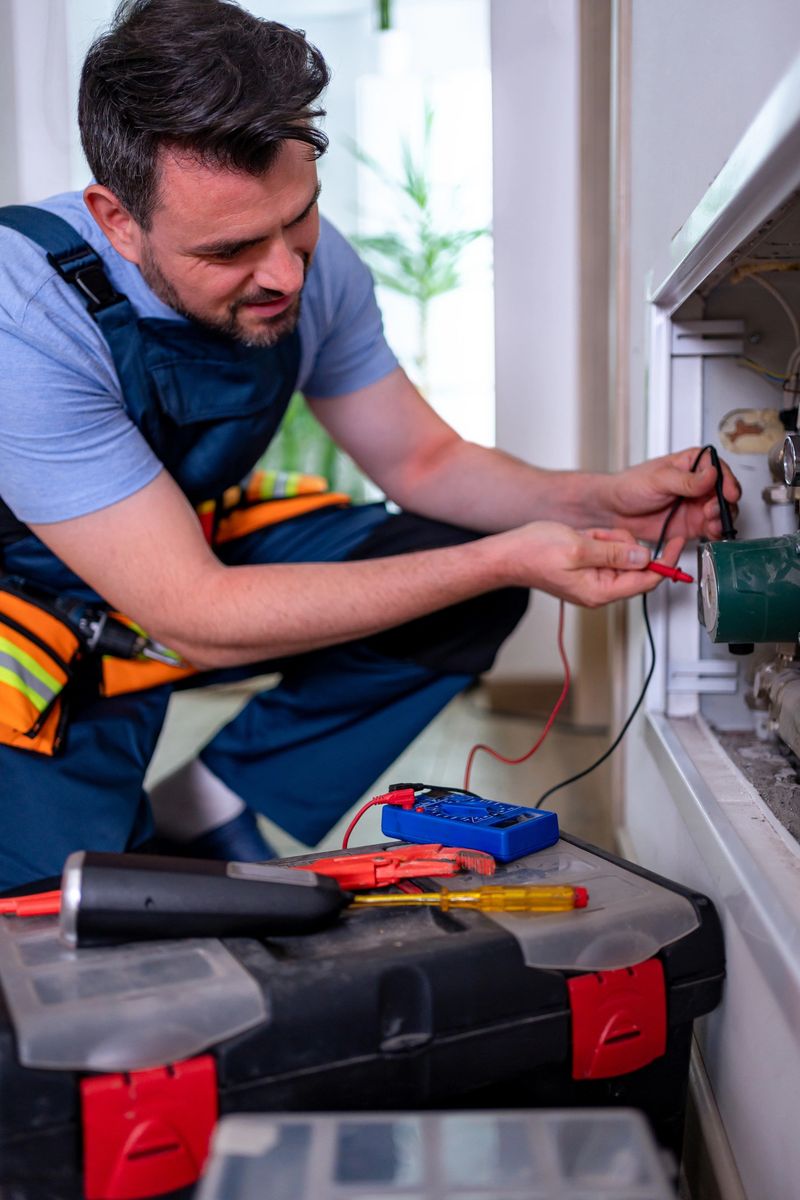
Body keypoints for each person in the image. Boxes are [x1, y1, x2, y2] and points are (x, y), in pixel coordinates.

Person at [0, 0, 739, 892]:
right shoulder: (23, 315)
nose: (285, 274)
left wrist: (597, 499)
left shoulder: (313, 263)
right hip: (32, 609)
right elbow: (196, 615)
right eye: (232, 248)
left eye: (299, 217)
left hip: (174, 545)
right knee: (59, 920)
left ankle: (209, 817)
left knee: (451, 570)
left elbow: (424, 464)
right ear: (117, 221)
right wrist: (511, 559)